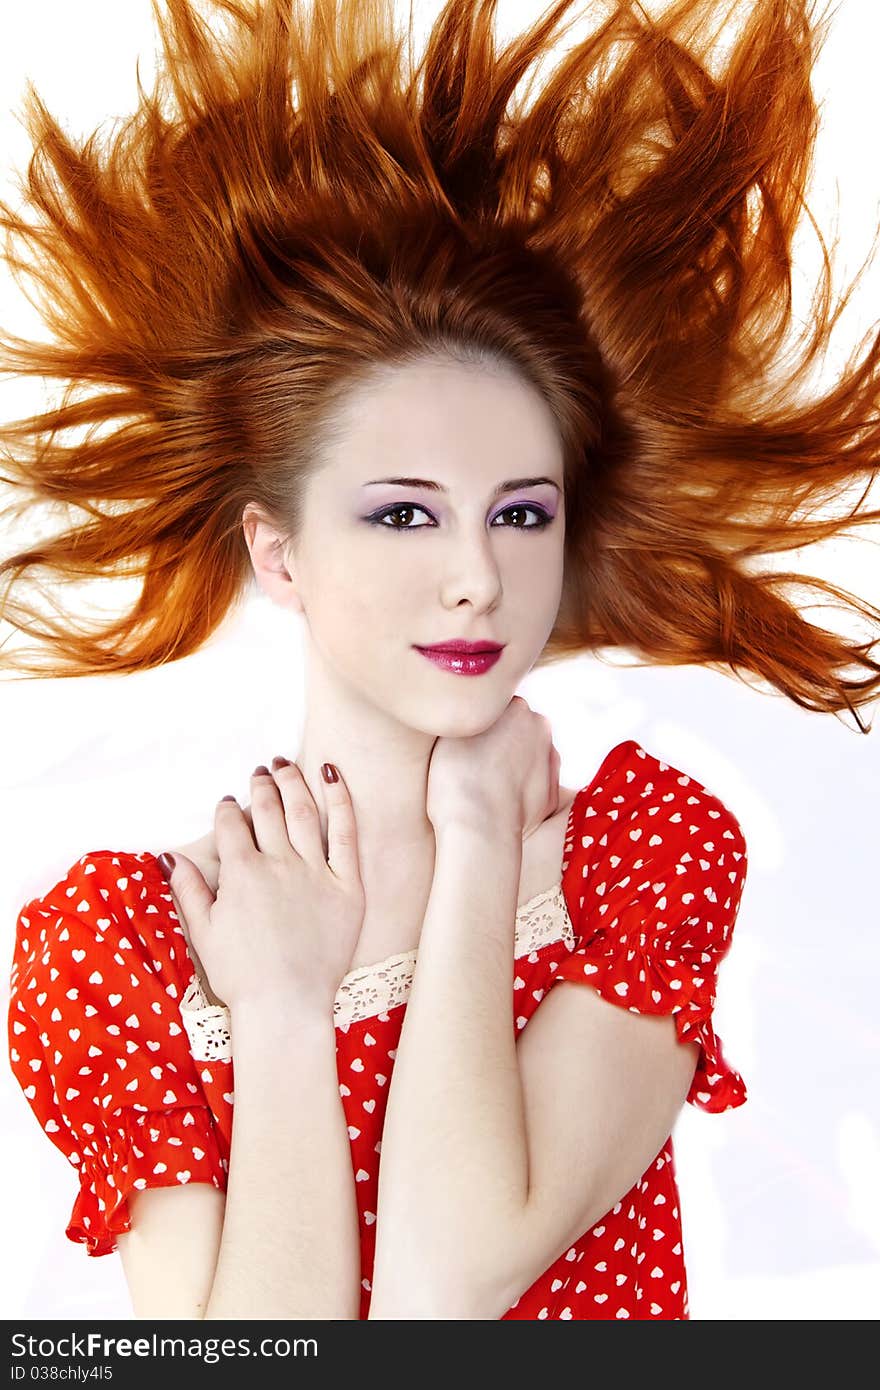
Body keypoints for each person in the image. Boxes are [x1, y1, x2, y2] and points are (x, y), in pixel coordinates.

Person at [3, 0, 879, 1321]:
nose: (478, 573)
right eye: (403, 511)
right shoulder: (117, 942)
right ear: (280, 554)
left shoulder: (644, 847)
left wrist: (478, 853)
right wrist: (285, 1009)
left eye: (519, 511)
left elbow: (446, 1285)